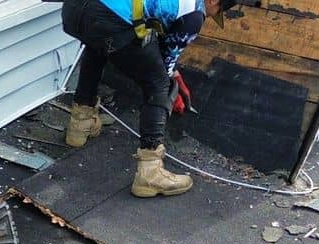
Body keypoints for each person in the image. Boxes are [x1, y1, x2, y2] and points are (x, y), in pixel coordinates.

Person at [60, 0, 252, 197]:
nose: (209, 16)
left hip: (75, 9)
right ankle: (150, 172)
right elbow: (164, 65)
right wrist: (171, 82)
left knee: (98, 45)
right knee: (158, 83)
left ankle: (80, 123)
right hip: (107, 19)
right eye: (215, 11)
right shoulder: (194, 14)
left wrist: (171, 70)